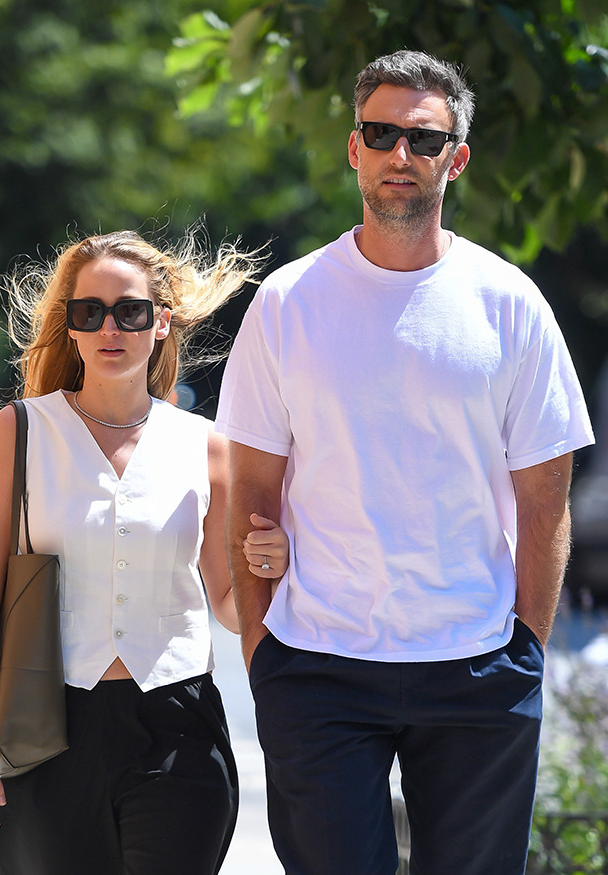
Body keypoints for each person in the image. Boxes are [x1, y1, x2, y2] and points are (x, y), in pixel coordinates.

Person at [216, 49, 595, 875]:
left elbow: (545, 502)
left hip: (476, 668)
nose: (400, 155)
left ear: (455, 158)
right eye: (381, 134)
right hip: (318, 667)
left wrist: (522, 650)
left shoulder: (510, 303)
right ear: (353, 147)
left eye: (423, 140)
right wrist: (262, 653)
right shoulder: (287, 301)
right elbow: (249, 490)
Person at [0, 229, 289, 875]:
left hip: (180, 723)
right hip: (47, 724)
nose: (110, 327)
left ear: (160, 322)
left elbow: (228, 602)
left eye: (130, 311)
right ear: (69, 326)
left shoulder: (205, 444)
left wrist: (266, 567)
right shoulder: (18, 431)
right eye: (89, 311)